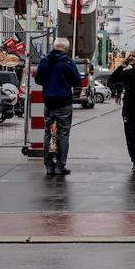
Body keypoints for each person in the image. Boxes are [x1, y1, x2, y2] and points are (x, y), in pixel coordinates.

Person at [35, 38, 82, 176]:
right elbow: (77, 81)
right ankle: (60, 166)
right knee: (63, 134)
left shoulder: (45, 61)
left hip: (49, 101)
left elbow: (38, 79)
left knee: (48, 132)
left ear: (54, 47)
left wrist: (48, 84)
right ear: (66, 49)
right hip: (64, 101)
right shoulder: (68, 62)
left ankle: (49, 166)